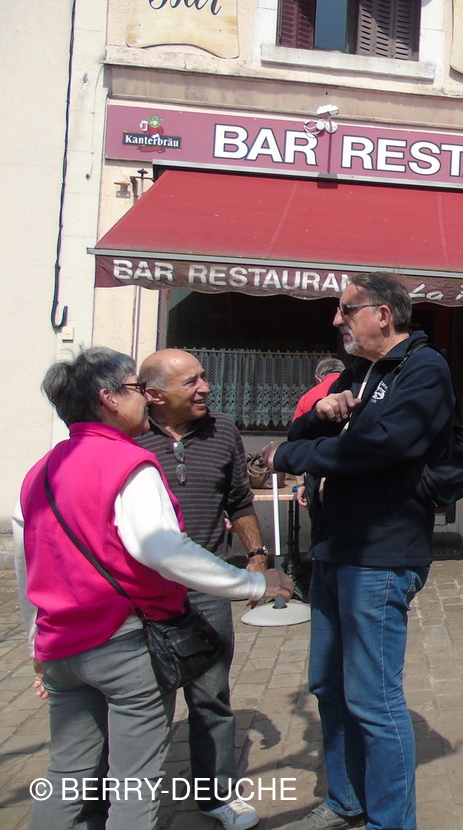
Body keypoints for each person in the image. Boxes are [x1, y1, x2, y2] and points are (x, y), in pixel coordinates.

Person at [14, 347, 292, 830]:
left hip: (62, 647)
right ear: (108, 398)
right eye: (134, 389)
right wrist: (252, 583)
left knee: (65, 776)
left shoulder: (40, 469)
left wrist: (36, 642)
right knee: (134, 785)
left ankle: (214, 796)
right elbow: (162, 549)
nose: (142, 398)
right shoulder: (128, 462)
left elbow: (29, 567)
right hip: (122, 643)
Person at [262, 273, 455, 830]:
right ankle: (345, 800)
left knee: (373, 699)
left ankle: (390, 822)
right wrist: (319, 416)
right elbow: (302, 435)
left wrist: (290, 459)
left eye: (345, 309)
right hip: (335, 547)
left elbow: (380, 446)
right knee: (329, 685)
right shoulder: (358, 371)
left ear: (382, 315)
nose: (336, 320)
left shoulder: (424, 368)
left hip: (382, 556)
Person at [136, 349, 269, 830]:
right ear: (154, 394)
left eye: (204, 377)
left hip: (206, 589)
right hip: (140, 593)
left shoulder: (223, 430)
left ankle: (217, 795)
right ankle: (133, 803)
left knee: (211, 695)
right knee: (144, 702)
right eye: (190, 381)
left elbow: (239, 500)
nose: (205, 388)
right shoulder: (127, 434)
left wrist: (257, 557)